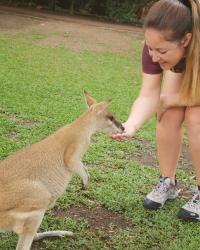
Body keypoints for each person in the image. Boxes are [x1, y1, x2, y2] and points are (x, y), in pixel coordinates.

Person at [111, 0, 200, 221]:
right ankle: (167, 182)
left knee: (196, 117)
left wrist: (177, 99)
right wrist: (131, 125)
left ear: (186, 39)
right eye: (150, 47)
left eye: (161, 50)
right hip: (184, 65)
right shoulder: (156, 48)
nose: (153, 56)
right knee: (167, 110)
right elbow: (148, 94)